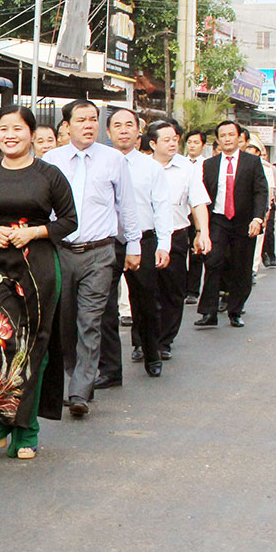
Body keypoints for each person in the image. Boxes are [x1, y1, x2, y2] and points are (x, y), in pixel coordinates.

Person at [0, 105, 77, 460]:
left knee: (30, 349)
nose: (10, 135)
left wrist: (35, 232)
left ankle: (26, 430)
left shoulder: (49, 174)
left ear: (31, 133)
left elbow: (69, 221)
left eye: (18, 129)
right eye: (3, 129)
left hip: (36, 270)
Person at [44, 100, 140, 418]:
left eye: (94, 119)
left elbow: (126, 206)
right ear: (67, 126)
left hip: (100, 252)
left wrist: (135, 245)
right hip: (61, 251)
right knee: (65, 322)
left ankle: (80, 391)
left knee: (90, 321)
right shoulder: (51, 160)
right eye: (82, 120)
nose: (89, 125)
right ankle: (73, 374)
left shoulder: (113, 159)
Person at [105, 108, 173, 379]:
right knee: (105, 305)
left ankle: (151, 353)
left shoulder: (151, 168)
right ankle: (109, 367)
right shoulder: (100, 163)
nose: (123, 130)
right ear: (108, 132)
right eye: (117, 126)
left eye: (129, 125)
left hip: (144, 241)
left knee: (146, 301)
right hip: (107, 242)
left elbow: (162, 207)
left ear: (138, 132)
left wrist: (164, 244)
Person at [144, 120, 211, 360]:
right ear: (153, 143)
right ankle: (142, 342)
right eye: (167, 139)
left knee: (172, 291)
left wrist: (203, 232)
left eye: (175, 139)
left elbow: (198, 202)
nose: (173, 143)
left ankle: (164, 341)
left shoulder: (187, 168)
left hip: (176, 235)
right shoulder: (141, 166)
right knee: (145, 291)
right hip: (146, 237)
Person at [193, 120, 268, 329]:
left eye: (231, 135)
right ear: (218, 140)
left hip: (244, 222)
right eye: (223, 136)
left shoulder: (251, 162)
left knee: (241, 267)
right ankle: (208, 312)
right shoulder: (209, 165)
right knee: (213, 262)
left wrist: (258, 218)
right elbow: (203, 195)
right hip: (218, 220)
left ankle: (235, 310)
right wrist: (200, 229)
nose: (227, 139)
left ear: (239, 138)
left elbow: (261, 192)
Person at [182, 129, 209, 306]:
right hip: (181, 214)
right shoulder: (179, 164)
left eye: (196, 142)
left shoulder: (208, 165)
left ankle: (192, 290)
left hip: (198, 215)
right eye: (190, 142)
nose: (192, 145)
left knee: (196, 253)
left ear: (203, 145)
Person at [253, 137, 276, 269]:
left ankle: (255, 267)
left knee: (262, 237)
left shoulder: (267, 169)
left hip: (260, 208)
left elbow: (270, 190)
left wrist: (267, 211)